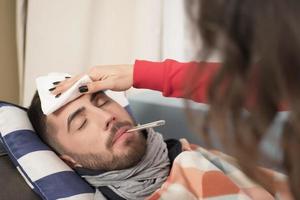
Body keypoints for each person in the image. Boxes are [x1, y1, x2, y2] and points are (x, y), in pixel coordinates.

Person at [50, 0, 300, 199]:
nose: (107, 117)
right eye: (81, 123)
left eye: (103, 101)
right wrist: (140, 73)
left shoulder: (192, 156)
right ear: (68, 161)